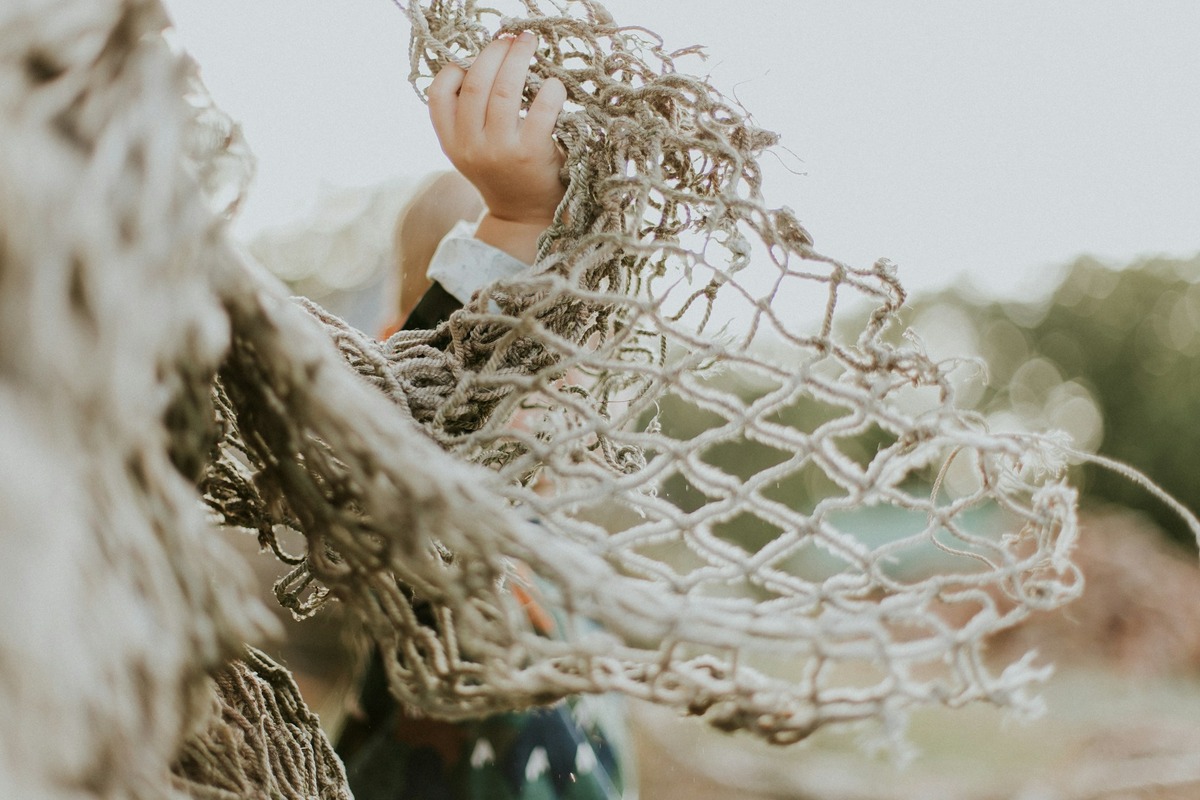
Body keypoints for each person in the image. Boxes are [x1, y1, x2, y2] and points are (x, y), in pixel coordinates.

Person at [334, 32, 636, 800]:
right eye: (513, 338)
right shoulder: (428, 525)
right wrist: (515, 222)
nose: (543, 373)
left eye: (564, 340)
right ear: (395, 344)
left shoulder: (557, 547)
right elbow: (430, 420)